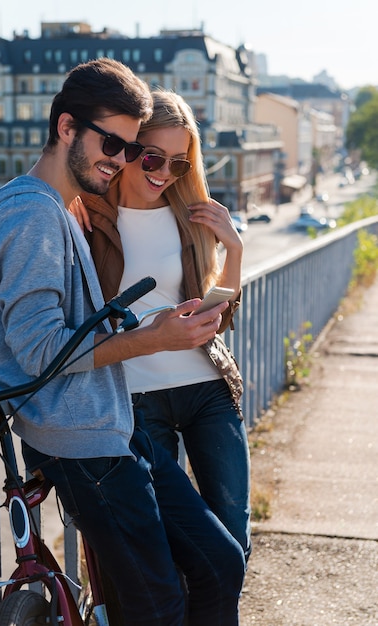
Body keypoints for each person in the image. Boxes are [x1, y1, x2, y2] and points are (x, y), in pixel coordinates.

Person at [0, 59, 245, 626]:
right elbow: (41, 351)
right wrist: (151, 339)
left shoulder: (55, 208)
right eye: (110, 143)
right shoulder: (31, 216)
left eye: (127, 148)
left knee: (219, 562)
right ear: (67, 127)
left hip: (111, 425)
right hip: (79, 440)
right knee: (157, 604)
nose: (118, 161)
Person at [70, 89, 252, 561]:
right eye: (153, 157)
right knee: (169, 546)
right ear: (128, 149)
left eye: (179, 163)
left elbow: (218, 314)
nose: (164, 173)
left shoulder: (188, 217)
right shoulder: (88, 217)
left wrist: (233, 250)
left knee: (233, 533)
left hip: (207, 388)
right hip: (135, 399)